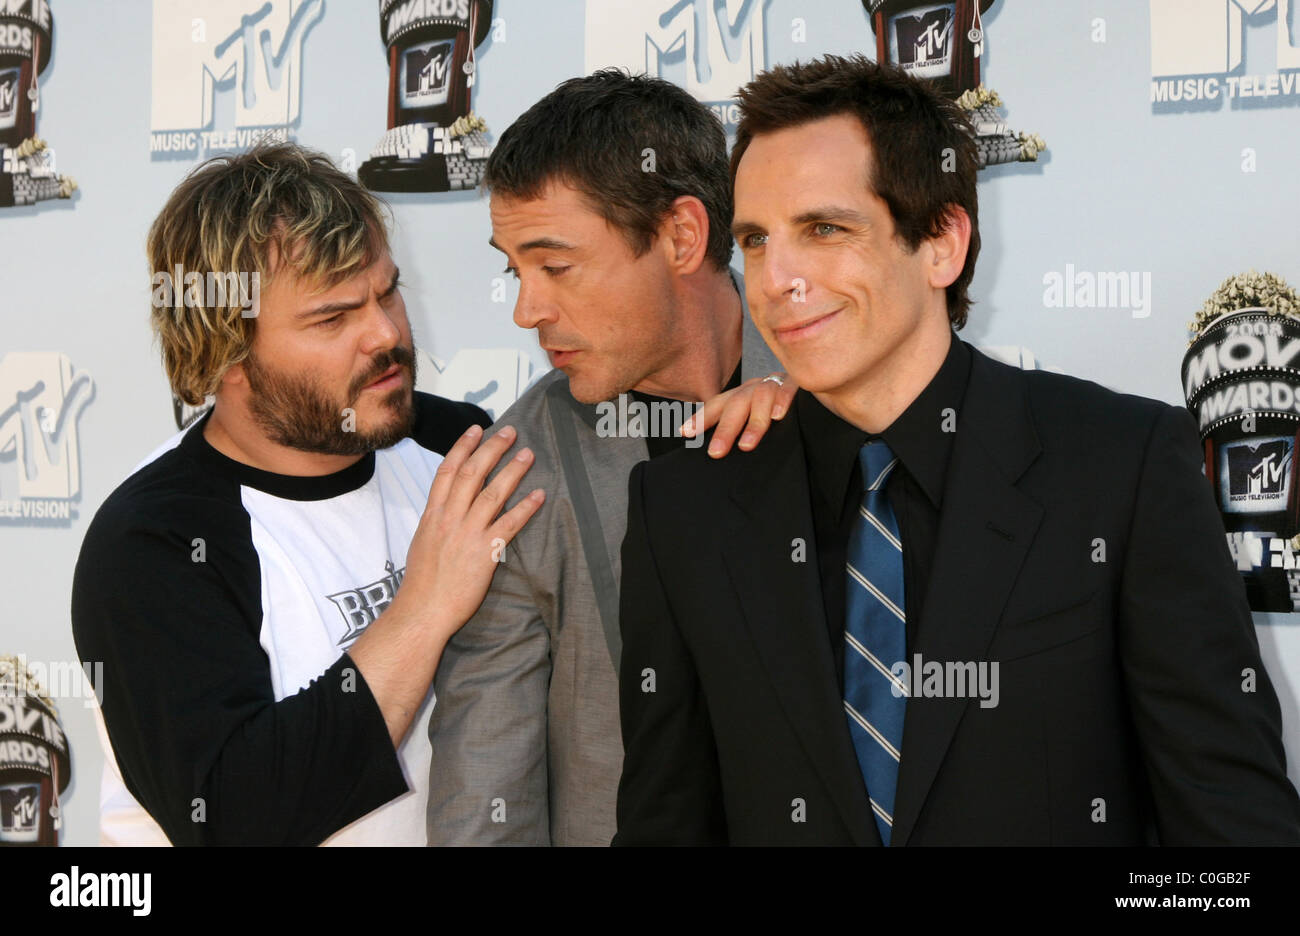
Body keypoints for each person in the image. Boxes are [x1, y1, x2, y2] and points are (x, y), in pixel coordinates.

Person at [615, 55, 1300, 846]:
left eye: (825, 229)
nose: (778, 279)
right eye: (757, 241)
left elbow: (1233, 836)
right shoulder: (684, 509)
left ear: (942, 241)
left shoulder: (1121, 467)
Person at [71, 143, 544, 846]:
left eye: (387, 292)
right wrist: (422, 610)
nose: (384, 334)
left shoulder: (455, 445)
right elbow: (235, 815)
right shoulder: (155, 541)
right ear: (223, 355)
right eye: (332, 318)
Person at [424, 70, 792, 845]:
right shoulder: (517, 476)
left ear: (681, 236)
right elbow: (486, 793)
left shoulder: (840, 398)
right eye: (514, 269)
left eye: (555, 266)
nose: (528, 310)